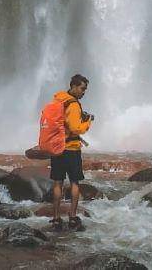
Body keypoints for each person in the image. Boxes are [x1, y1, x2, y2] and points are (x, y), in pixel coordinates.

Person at [50, 73, 93, 230]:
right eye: (82, 88)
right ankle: (73, 217)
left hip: (57, 148)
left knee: (57, 183)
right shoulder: (73, 105)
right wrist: (88, 122)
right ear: (74, 86)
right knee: (75, 183)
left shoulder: (58, 99)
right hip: (71, 149)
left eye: (85, 89)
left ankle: (56, 218)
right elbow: (76, 128)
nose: (84, 92)